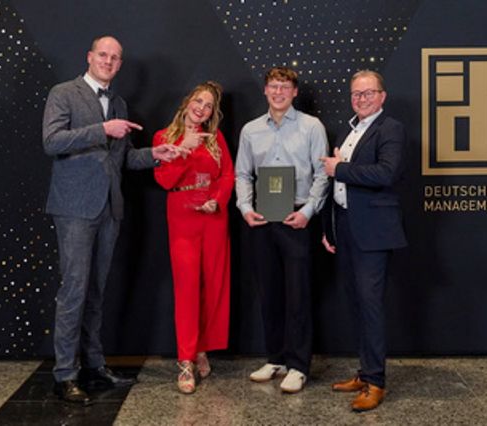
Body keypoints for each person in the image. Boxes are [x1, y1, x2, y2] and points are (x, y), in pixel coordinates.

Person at [42, 35, 179, 405]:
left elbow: (125, 159)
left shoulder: (118, 103)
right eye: (103, 55)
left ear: (120, 65)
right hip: (74, 208)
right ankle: (65, 374)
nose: (108, 61)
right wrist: (102, 129)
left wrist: (156, 154)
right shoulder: (64, 93)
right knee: (74, 291)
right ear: (89, 57)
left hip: (109, 209)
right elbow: (52, 141)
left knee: (97, 292)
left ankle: (94, 366)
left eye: (115, 58)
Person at [235, 66, 329, 393]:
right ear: (265, 90)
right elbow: (242, 174)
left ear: (294, 92)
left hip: (297, 218)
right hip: (262, 219)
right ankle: (275, 358)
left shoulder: (311, 126)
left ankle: (298, 365)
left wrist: (308, 211)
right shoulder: (250, 130)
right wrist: (245, 208)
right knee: (269, 293)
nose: (278, 92)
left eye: (284, 87)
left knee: (298, 295)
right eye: (273, 86)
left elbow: (322, 173)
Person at [320, 70, 408, 412]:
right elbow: (337, 185)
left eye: (368, 93)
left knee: (370, 306)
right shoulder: (350, 129)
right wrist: (329, 228)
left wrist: (339, 168)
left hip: (373, 232)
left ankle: (376, 382)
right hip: (346, 226)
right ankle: (365, 371)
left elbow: (386, 173)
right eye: (356, 94)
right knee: (356, 304)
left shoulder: (390, 129)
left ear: (382, 96)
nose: (361, 99)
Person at [153, 81, 234, 394]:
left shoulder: (216, 138)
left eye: (209, 105)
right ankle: (185, 359)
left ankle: (202, 348)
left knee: (213, 286)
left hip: (213, 217)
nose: (202, 108)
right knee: (186, 288)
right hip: (183, 215)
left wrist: (218, 199)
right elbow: (164, 180)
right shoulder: (164, 137)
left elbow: (227, 174)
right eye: (199, 101)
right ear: (187, 102)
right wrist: (184, 149)